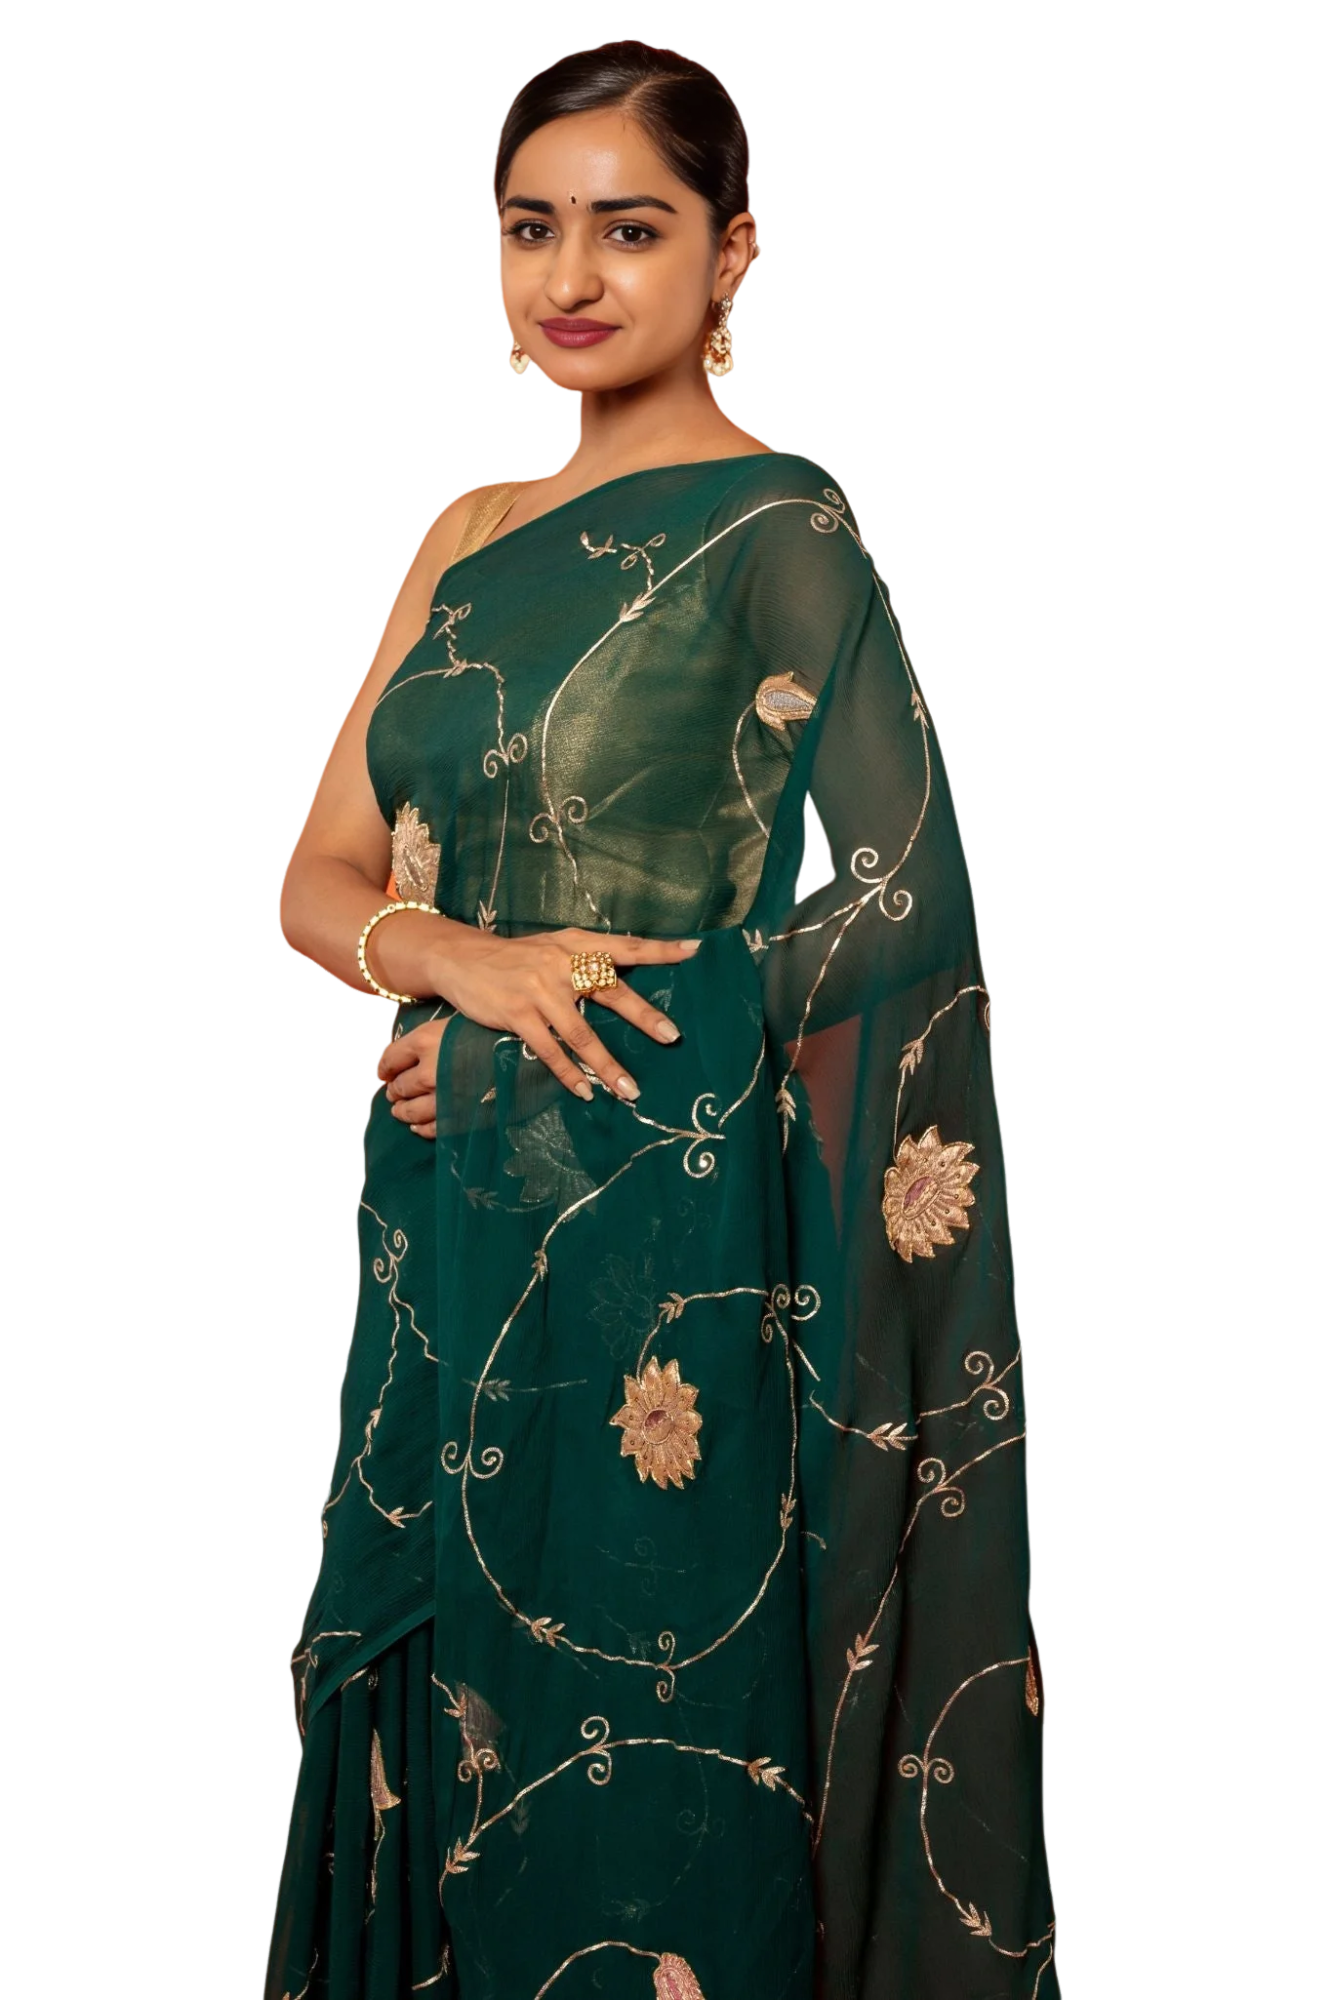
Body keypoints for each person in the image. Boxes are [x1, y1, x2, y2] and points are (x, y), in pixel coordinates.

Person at [267, 39, 1059, 2000]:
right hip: (443, 1230)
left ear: (733, 257)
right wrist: (459, 964)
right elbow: (318, 877)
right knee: (446, 1752)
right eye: (530, 227)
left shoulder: (781, 525)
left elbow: (909, 899)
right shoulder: (466, 533)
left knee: (652, 1779)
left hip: (665, 1258)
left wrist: (555, 1024)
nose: (571, 275)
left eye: (631, 229)